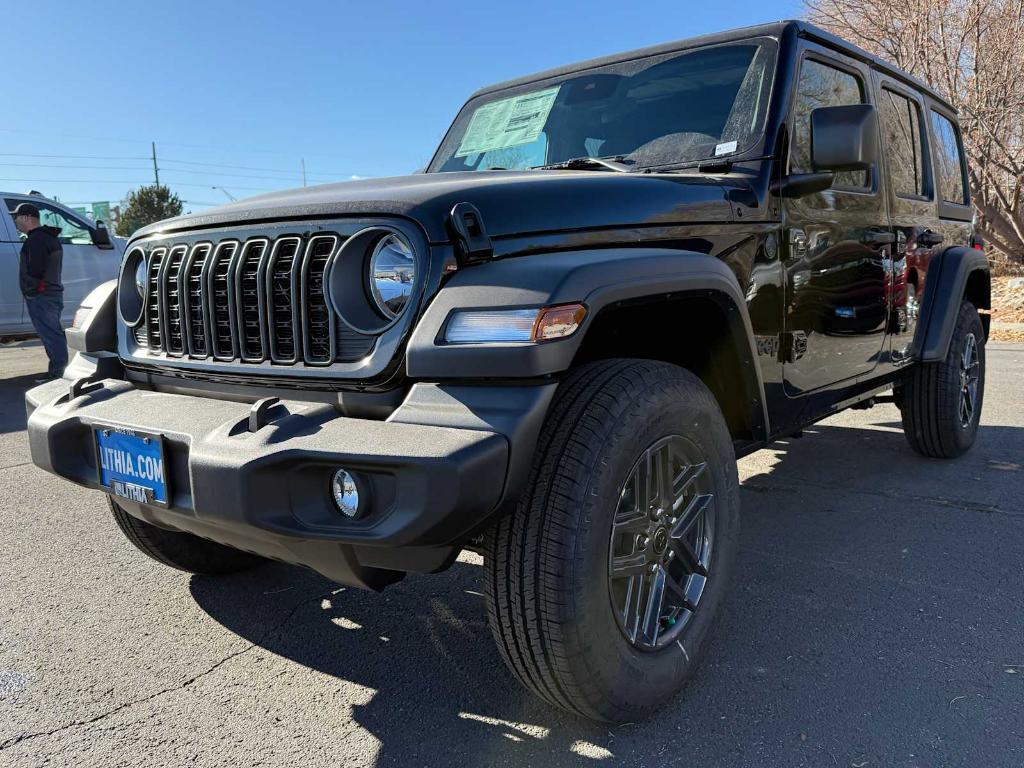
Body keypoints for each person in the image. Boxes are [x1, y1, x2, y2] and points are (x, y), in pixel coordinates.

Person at [11, 203, 67, 381]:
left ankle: (58, 375)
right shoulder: (47, 237)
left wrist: (31, 291)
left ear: (27, 217)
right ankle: (57, 371)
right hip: (49, 295)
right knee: (53, 334)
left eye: (17, 217)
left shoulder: (36, 240)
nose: (15, 221)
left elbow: (36, 270)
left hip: (43, 297)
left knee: (51, 336)